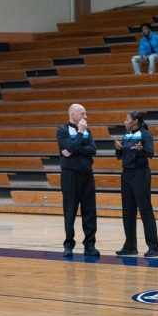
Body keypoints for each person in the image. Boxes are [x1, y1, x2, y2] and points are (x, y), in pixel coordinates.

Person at [56, 104, 100, 257]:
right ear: (73, 114)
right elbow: (71, 145)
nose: (85, 117)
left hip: (87, 175)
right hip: (70, 176)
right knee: (70, 211)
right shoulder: (62, 130)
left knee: (89, 211)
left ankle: (90, 245)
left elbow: (93, 150)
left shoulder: (88, 131)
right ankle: (69, 244)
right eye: (82, 113)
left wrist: (74, 150)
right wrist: (80, 134)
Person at [114, 111, 158, 257]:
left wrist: (142, 149)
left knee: (145, 210)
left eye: (127, 120)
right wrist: (118, 149)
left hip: (140, 174)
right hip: (126, 174)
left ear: (135, 121)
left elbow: (150, 153)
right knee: (128, 211)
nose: (124, 122)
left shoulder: (145, 134)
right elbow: (120, 157)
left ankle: (153, 247)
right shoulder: (127, 135)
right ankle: (130, 246)